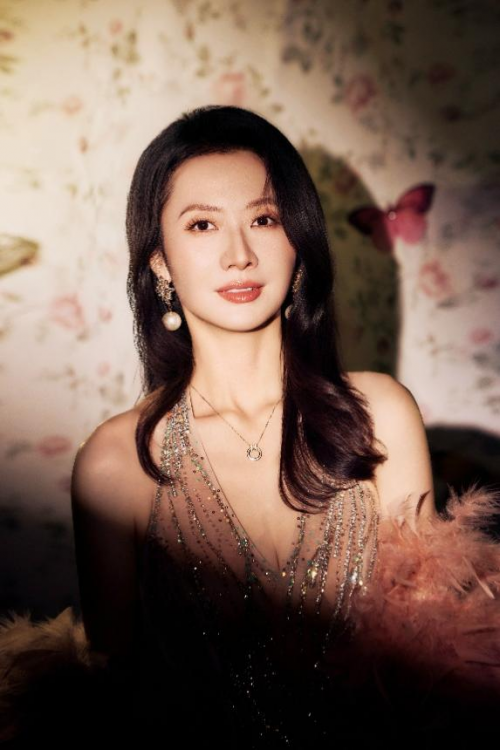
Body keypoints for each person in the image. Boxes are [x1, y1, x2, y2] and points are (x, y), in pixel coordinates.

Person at [1, 105, 499, 748]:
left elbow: (433, 671)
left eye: (263, 219)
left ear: (298, 242)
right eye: (202, 224)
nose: (239, 255)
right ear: (160, 261)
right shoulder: (117, 461)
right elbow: (113, 707)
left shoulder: (379, 416)